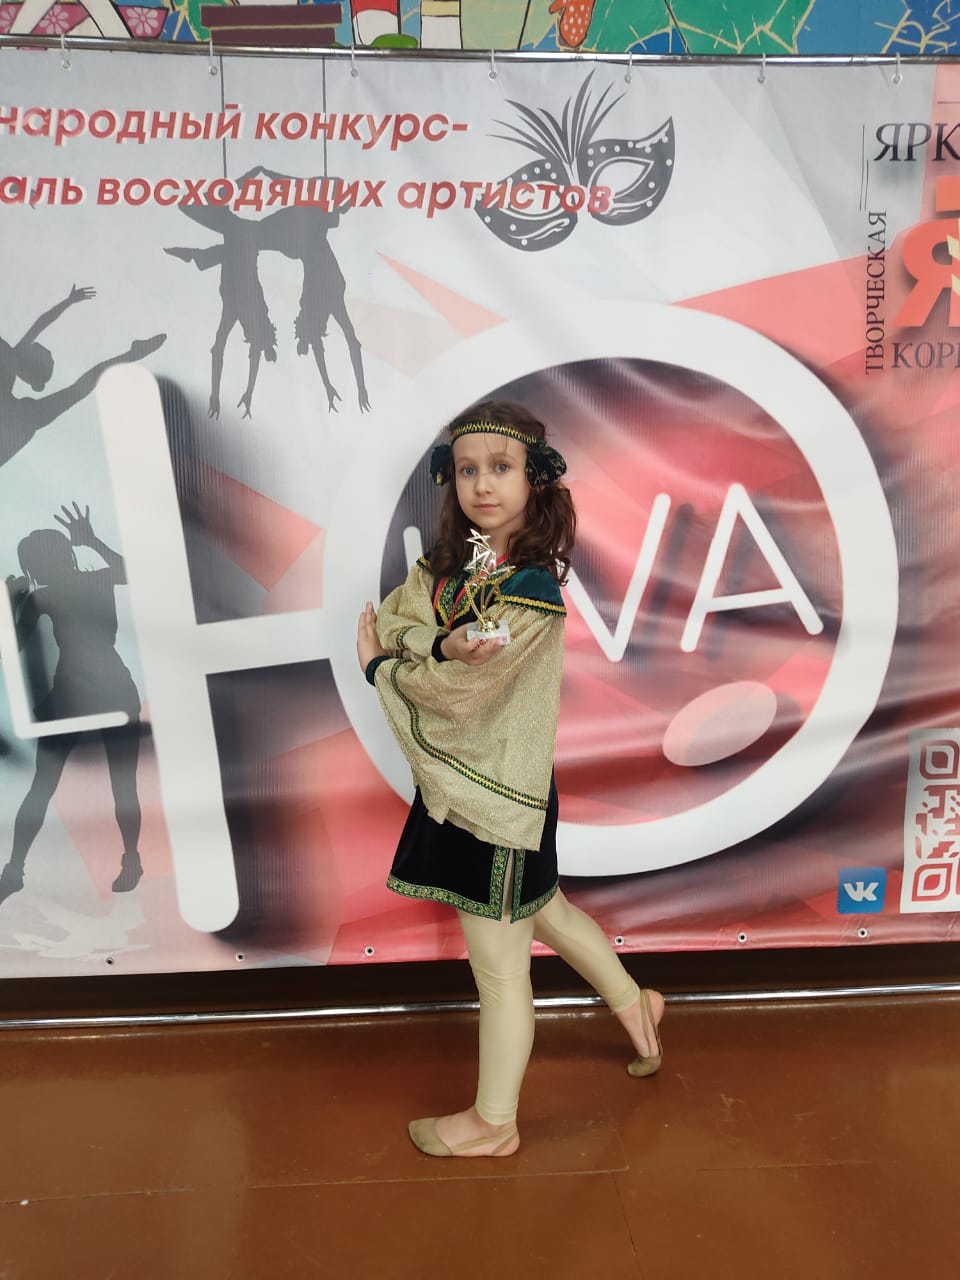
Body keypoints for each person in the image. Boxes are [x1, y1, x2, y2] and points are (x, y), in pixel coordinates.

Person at [356, 400, 664, 1158]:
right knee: (548, 911)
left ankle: (495, 1124)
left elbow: (458, 690)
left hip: (499, 799)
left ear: (535, 479)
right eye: (467, 469)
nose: (482, 485)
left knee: (499, 972)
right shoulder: (446, 569)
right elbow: (393, 618)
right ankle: (637, 1008)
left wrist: (384, 667)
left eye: (501, 467)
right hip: (477, 789)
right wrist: (435, 644)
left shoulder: (528, 591)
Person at [0, 503, 144, 907]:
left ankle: (17, 870)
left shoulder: (66, 589)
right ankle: (15, 870)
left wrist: (91, 541)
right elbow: (13, 648)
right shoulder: (55, 592)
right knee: (56, 786)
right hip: (89, 692)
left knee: (99, 785)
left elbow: (13, 646)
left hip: (95, 692)